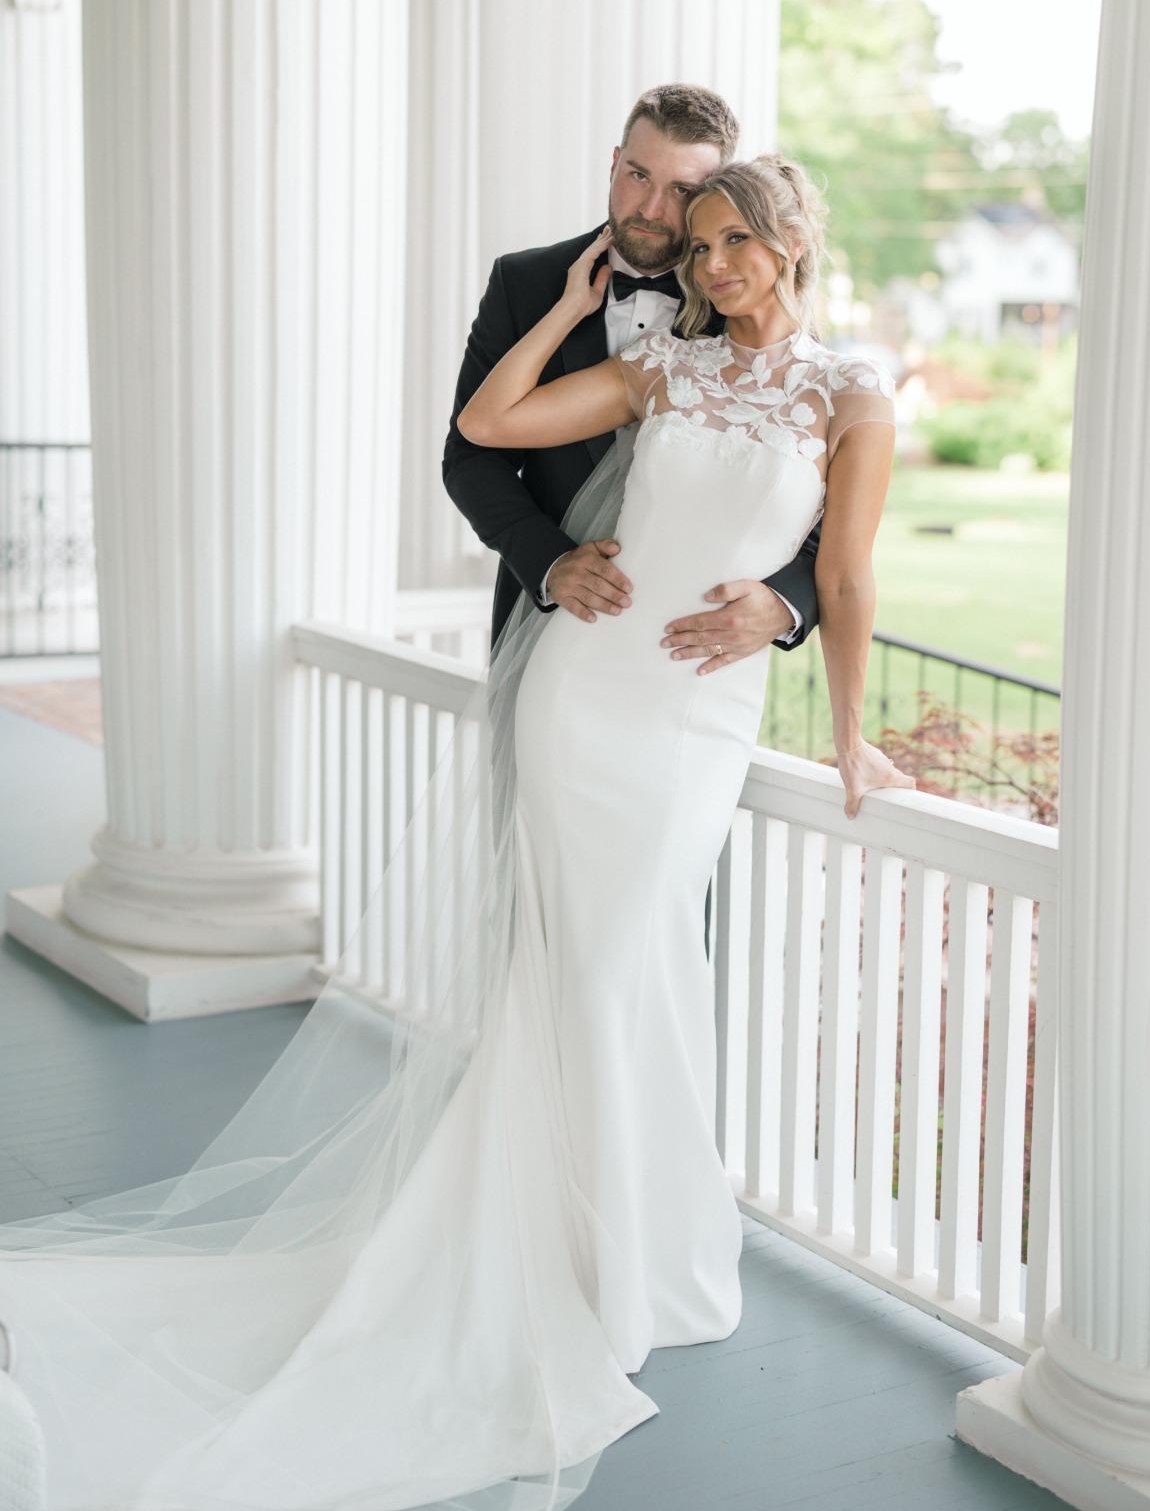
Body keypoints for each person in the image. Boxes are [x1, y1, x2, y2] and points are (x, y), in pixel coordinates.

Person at [0, 157, 912, 1511]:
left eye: (737, 242)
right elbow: (490, 423)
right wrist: (573, 307)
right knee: (580, 972)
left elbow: (841, 569)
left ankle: (644, 1249)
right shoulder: (665, 364)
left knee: (641, 967)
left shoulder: (852, 392)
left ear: (791, 247)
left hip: (699, 720)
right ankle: (584, 1267)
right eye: (703, 244)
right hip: (585, 692)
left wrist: (844, 732)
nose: (714, 265)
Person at [444, 83, 821, 664]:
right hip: (548, 624)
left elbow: (818, 480)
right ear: (615, 161)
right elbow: (470, 456)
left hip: (693, 643)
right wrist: (549, 563)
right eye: (639, 176)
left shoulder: (752, 300)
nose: (650, 209)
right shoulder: (524, 283)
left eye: (682, 190)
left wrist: (784, 602)